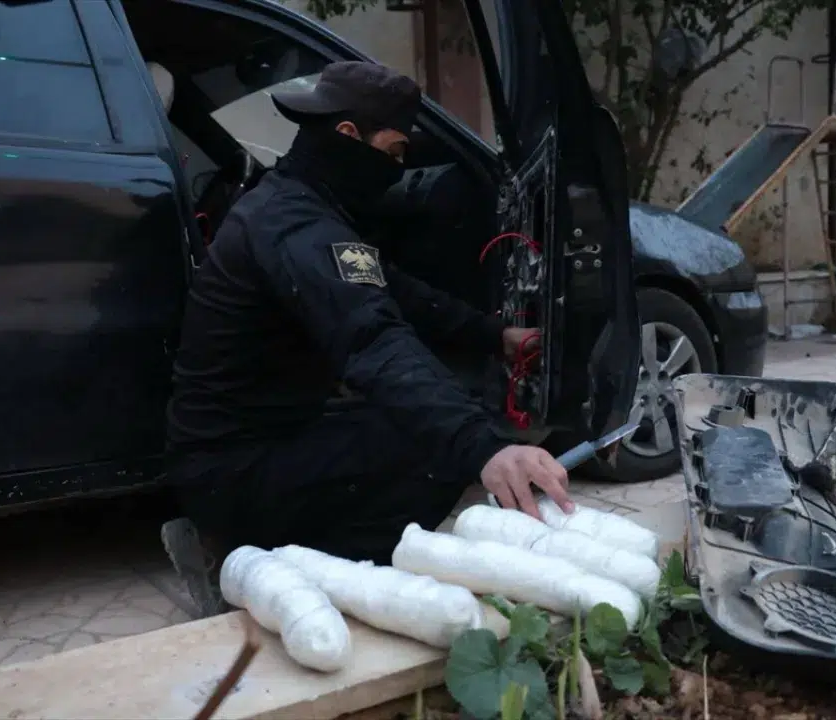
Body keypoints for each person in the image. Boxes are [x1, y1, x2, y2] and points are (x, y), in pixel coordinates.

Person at [159, 61, 574, 618]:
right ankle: (270, 566)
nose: (397, 168)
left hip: (250, 444)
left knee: (416, 418)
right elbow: (372, 339)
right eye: (395, 151)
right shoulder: (297, 225)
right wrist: (484, 447)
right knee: (430, 448)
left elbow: (393, 289)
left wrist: (495, 334)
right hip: (233, 468)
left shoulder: (295, 201)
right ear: (349, 135)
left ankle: (243, 538)